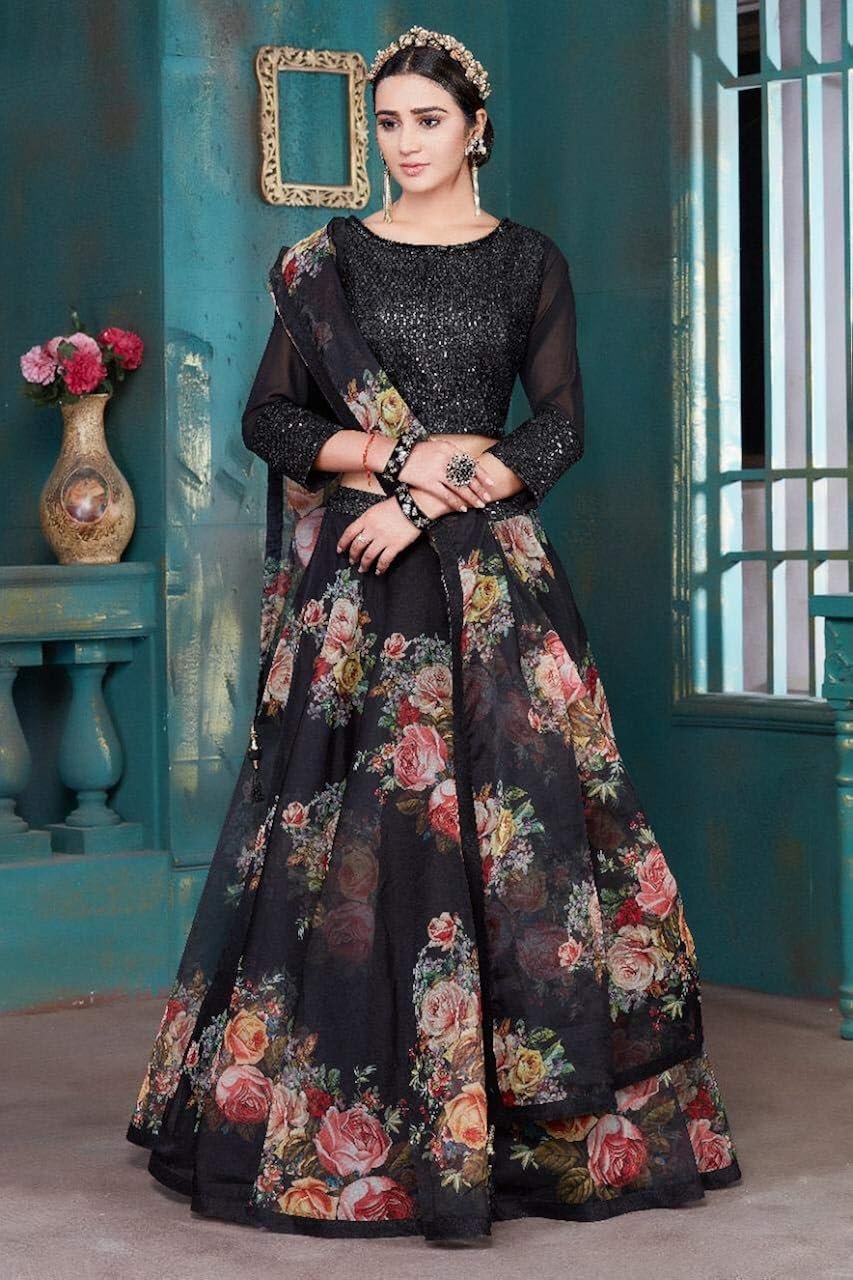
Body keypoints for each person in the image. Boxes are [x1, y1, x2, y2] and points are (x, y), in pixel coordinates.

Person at [126, 26, 743, 1241]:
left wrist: (418, 501)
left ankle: (524, 1119)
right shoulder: (326, 264)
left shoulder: (527, 261)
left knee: (521, 838)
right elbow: (269, 420)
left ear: (476, 129)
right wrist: (398, 457)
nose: (405, 143)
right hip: (359, 592)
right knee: (349, 845)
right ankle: (355, 1117)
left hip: (489, 587)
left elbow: (558, 427)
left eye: (427, 120)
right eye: (388, 123)